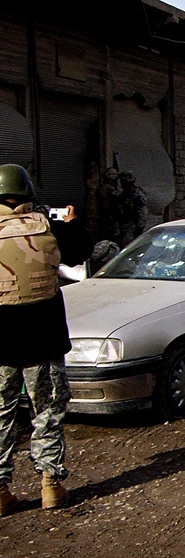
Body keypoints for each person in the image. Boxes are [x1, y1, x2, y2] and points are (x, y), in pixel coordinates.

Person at [0, 164, 92, 516]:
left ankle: (1, 491)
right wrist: (71, 224)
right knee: (48, 412)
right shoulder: (49, 227)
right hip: (43, 341)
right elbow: (81, 252)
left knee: (1, 415)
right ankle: (50, 486)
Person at [116, 169, 148, 247]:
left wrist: (140, 226)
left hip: (132, 223)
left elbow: (142, 210)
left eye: (123, 181)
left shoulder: (137, 193)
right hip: (124, 224)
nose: (122, 183)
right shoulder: (123, 194)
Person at [96, 167, 120, 243]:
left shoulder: (102, 188)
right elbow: (117, 200)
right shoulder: (109, 189)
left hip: (103, 215)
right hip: (109, 215)